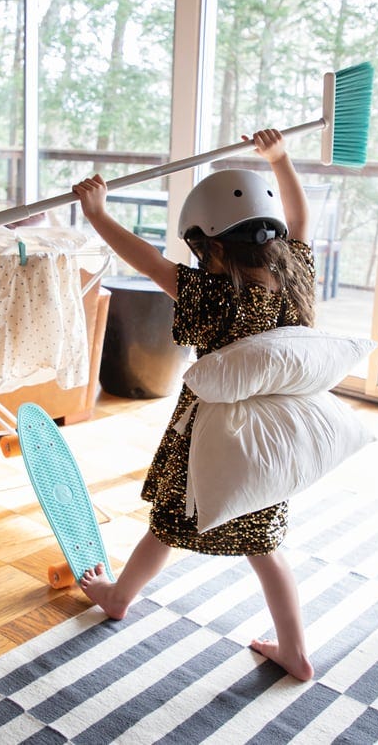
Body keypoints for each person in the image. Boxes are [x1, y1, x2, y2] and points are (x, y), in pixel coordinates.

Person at [72, 128, 315, 682]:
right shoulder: (293, 274)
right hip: (273, 431)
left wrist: (98, 214)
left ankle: (117, 596)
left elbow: (150, 261)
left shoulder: (211, 292)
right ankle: (296, 649)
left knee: (170, 522)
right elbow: (301, 222)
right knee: (265, 542)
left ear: (211, 244)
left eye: (199, 250)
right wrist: (280, 160)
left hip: (213, 429)